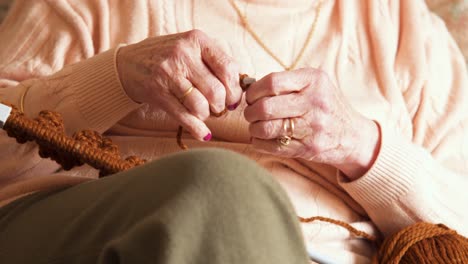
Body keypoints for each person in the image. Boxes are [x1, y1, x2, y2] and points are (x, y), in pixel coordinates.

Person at [0, 0, 467, 263]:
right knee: (222, 188)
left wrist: (362, 146)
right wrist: (118, 76)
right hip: (102, 228)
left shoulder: (411, 32)